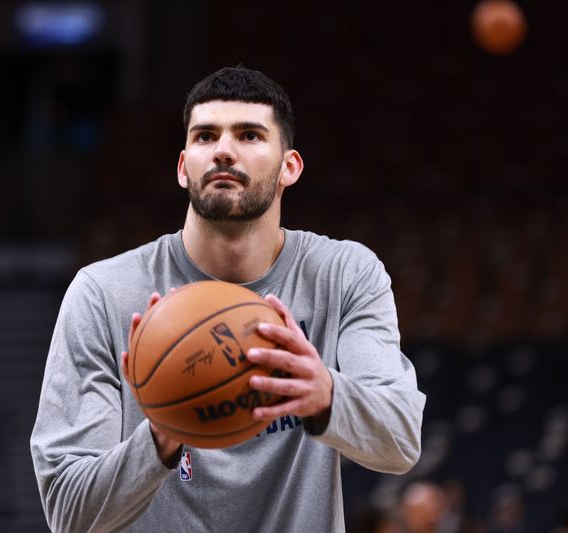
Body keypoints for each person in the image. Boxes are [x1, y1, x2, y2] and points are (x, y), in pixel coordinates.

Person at [30, 66, 426, 532]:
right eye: (204, 136)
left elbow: (401, 440)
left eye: (250, 135)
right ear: (182, 168)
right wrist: (159, 433)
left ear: (289, 167)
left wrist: (323, 392)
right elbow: (68, 514)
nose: (222, 150)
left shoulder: (345, 276)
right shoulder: (104, 293)